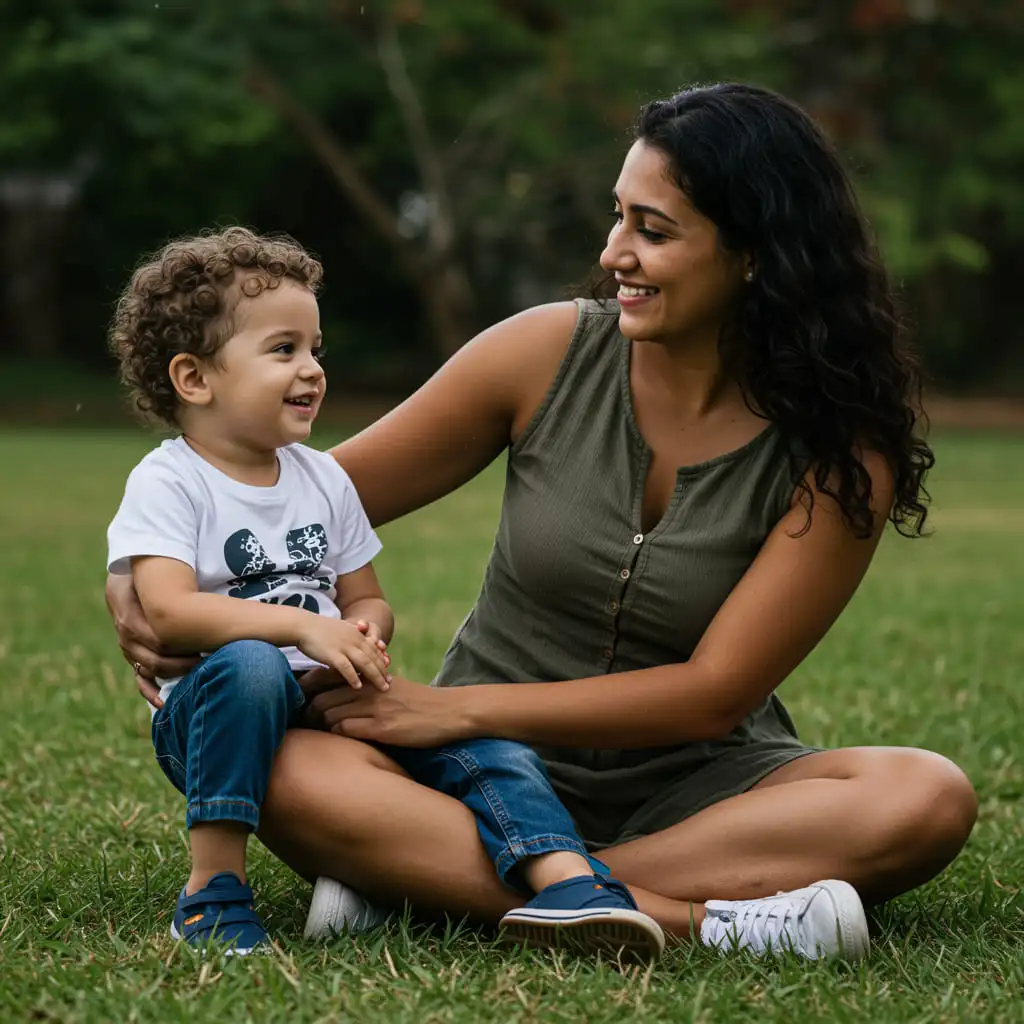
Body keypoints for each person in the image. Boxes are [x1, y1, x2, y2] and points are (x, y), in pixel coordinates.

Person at [108, 85, 977, 961]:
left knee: (924, 795)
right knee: (285, 765)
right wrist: (132, 581)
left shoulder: (838, 455)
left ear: (756, 254)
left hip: (698, 782)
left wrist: (448, 711)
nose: (614, 254)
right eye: (618, 219)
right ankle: (695, 920)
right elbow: (299, 498)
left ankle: (438, 887)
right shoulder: (544, 353)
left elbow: (715, 692)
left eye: (654, 230)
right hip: (476, 775)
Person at [105, 227, 666, 959]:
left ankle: (567, 880)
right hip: (220, 712)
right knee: (249, 662)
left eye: (315, 349)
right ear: (195, 379)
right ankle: (211, 890)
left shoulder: (321, 478)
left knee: (474, 739)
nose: (311, 370)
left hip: (326, 695)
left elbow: (365, 598)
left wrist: (364, 631)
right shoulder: (170, 481)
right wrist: (301, 631)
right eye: (283, 350)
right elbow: (171, 611)